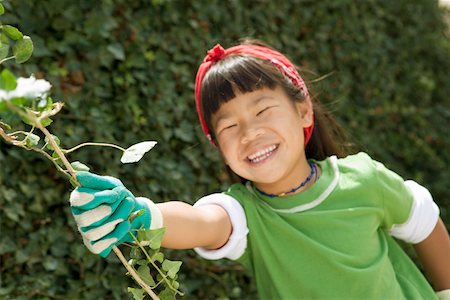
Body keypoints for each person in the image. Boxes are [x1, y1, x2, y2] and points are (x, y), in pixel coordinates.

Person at [69, 39, 450, 299]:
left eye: (263, 110)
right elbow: (202, 222)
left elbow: (426, 222)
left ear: (303, 111)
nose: (250, 133)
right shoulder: (246, 213)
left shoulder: (363, 179)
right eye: (229, 127)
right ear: (219, 148)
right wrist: (140, 215)